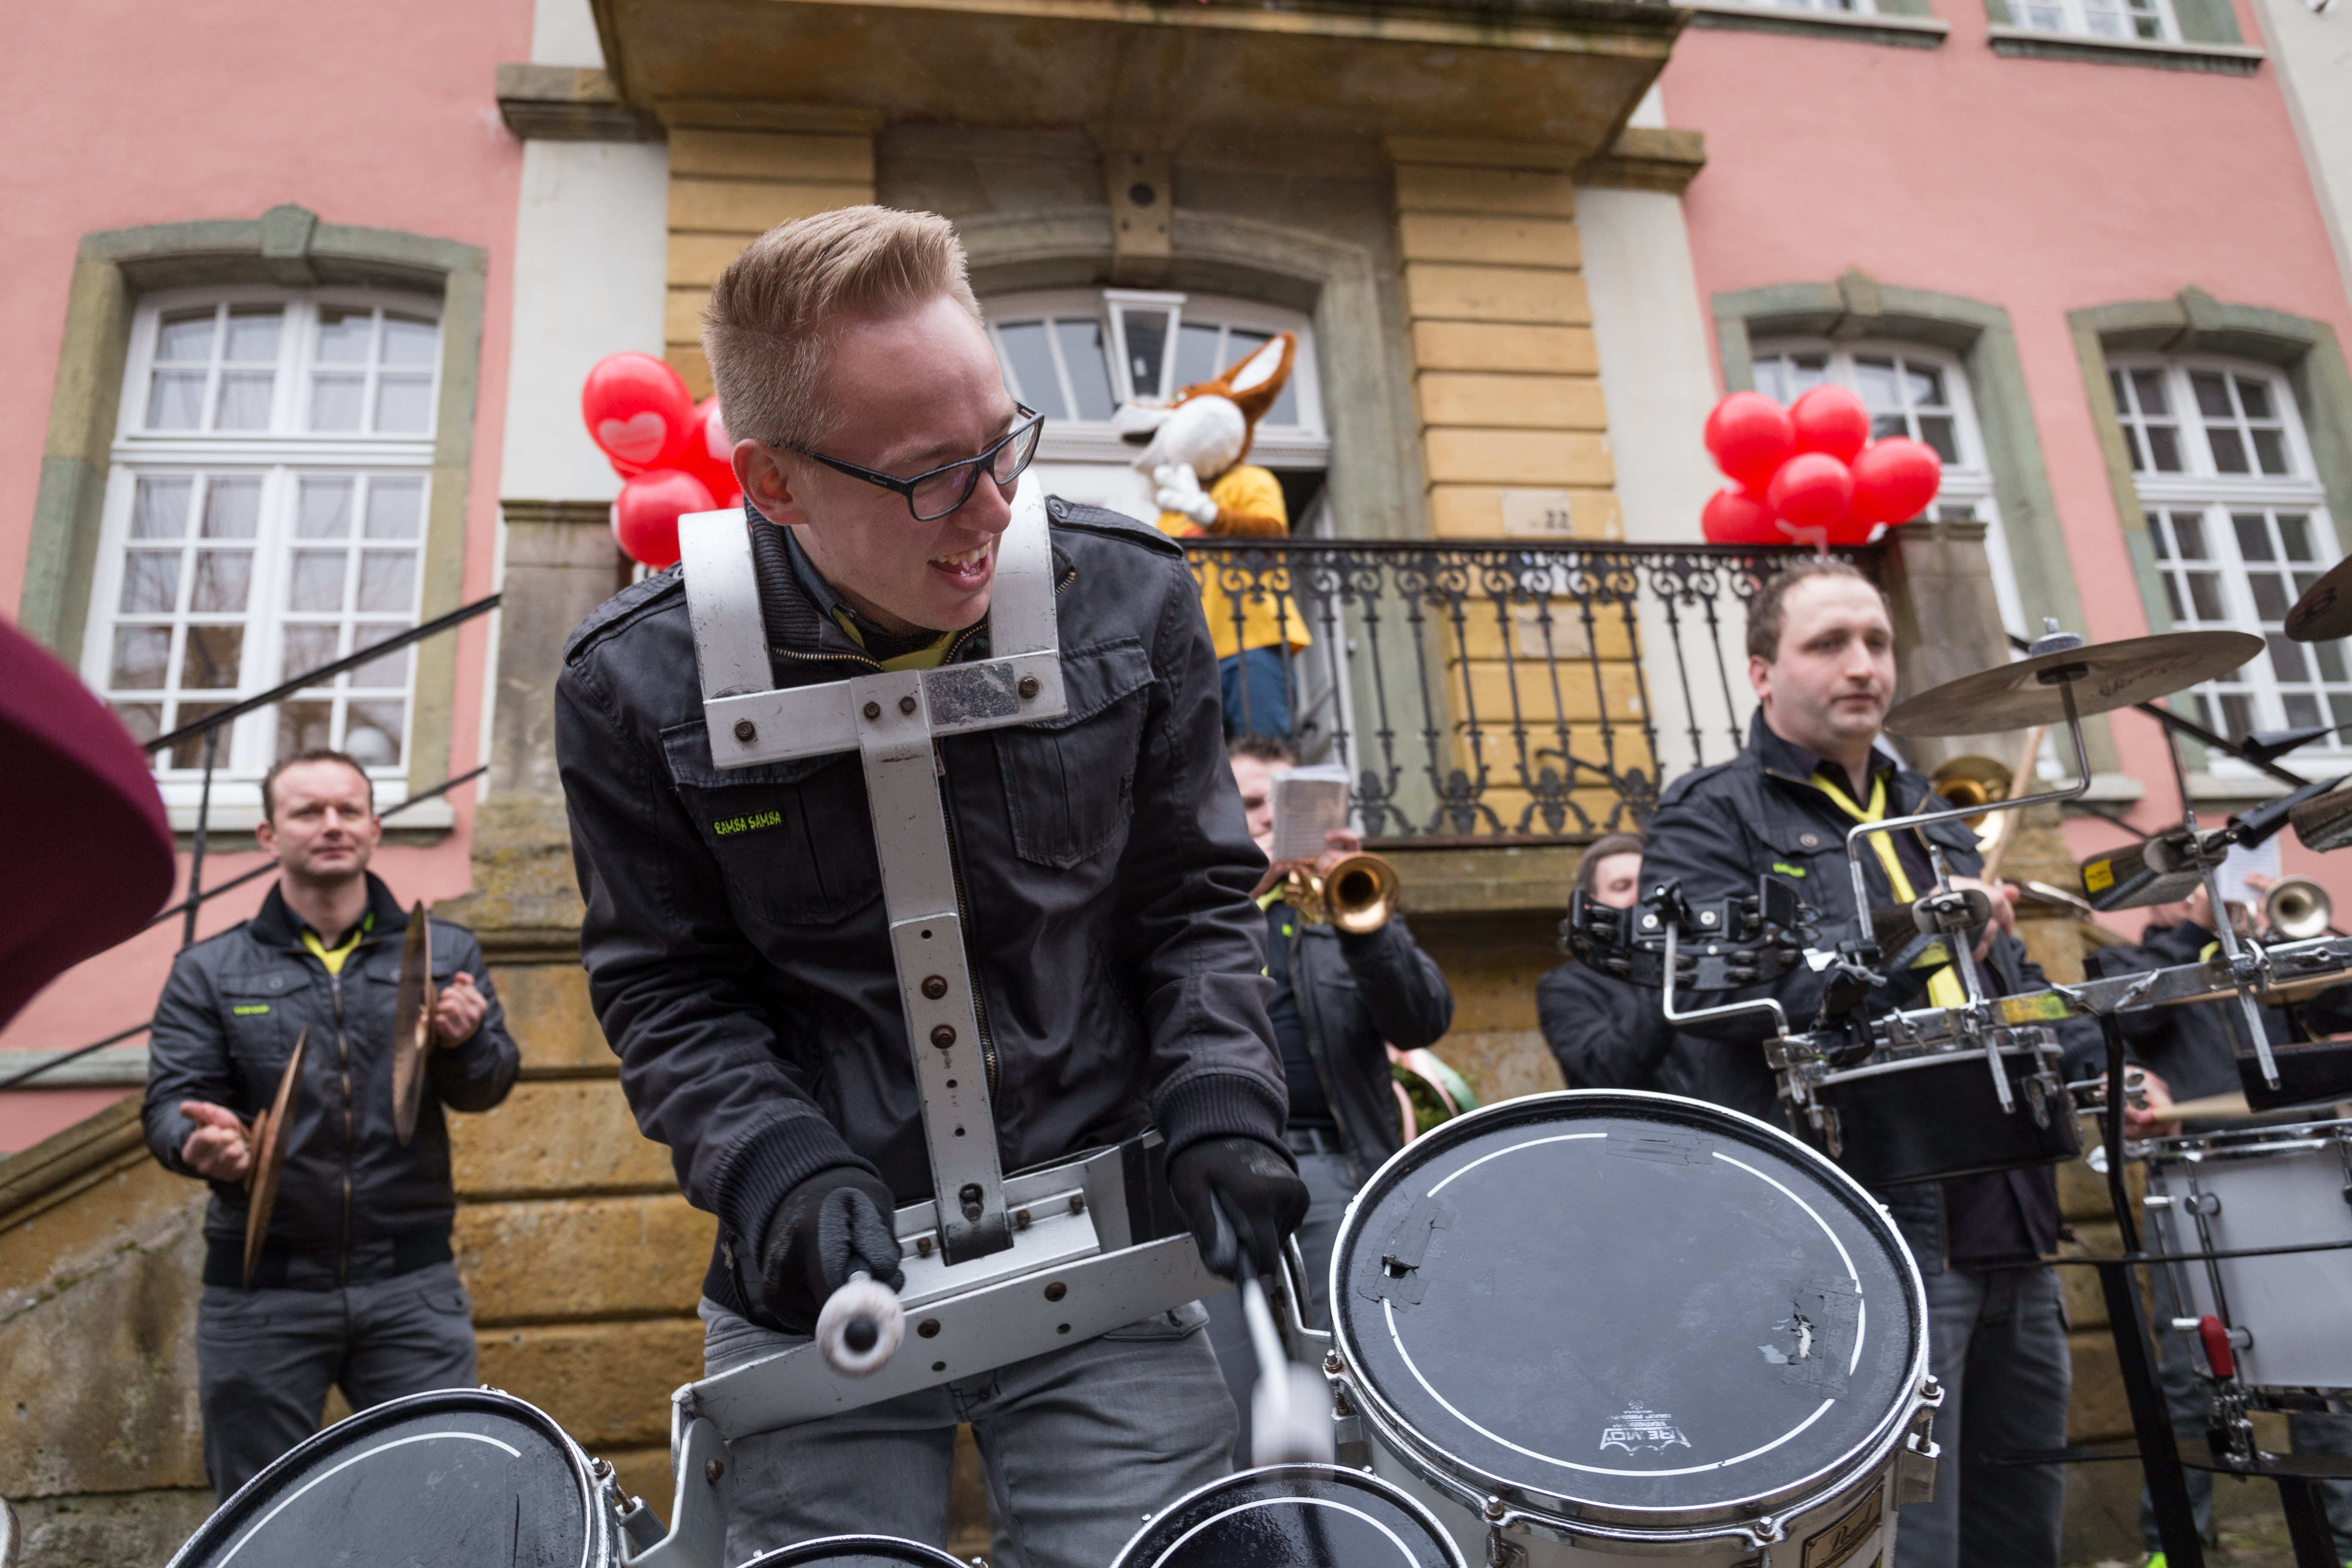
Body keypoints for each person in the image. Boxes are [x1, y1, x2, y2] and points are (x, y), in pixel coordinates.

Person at [554, 206, 1308, 1568]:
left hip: (1105, 1241)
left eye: (1005, 441)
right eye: (931, 477)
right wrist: (777, 1168)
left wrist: (1219, 1093)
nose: (996, 508)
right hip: (816, 1274)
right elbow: (669, 988)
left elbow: (1192, 898)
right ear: (775, 484)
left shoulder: (1128, 598)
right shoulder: (634, 686)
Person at [1637, 557, 2168, 1568]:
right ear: (1761, 673)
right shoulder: (1712, 812)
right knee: (1907, 1538)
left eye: (1876, 642)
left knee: (2021, 1531)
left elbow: (2001, 980)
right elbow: (1711, 999)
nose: (1863, 665)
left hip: (2010, 1215)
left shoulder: (1926, 805)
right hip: (1877, 1224)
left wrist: (2092, 1062)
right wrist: (1912, 929)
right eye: (1828, 644)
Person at [142, 748, 518, 1501]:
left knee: (444, 1501)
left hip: (411, 1287)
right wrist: (198, 1143)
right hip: (262, 1294)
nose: (332, 825)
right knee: (260, 1517)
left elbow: (487, 1087)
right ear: (267, 835)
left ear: (375, 829)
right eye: (308, 812)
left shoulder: (443, 952)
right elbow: (169, 1103)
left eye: (349, 810)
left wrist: (467, 1040)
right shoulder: (210, 969)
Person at [1203, 735, 1454, 1463]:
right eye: (1248, 803)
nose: (1264, 819)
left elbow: (1422, 1020)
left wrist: (1365, 927)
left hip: (1332, 1173)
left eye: (1280, 806)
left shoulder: (1342, 909)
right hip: (1215, 1176)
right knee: (1233, 1406)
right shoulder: (1195, 914)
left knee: (1358, 1397)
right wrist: (1239, 888)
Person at [2087, 883, 2352, 1565]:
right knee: (2188, 1376)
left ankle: (2342, 1542)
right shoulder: (2137, 961)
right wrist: (2197, 932)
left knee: (2329, 1369)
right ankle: (2174, 1547)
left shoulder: (2270, 958)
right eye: (2200, 879)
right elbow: (2132, 1024)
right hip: (2195, 1185)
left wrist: (2292, 941)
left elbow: (2340, 1005)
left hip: (2299, 1176)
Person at [1136, 336, 1311, 738]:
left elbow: (1273, 535)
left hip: (1254, 641)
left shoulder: (1250, 480)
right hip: (1195, 657)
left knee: (1263, 751)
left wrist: (1211, 516)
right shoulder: (1171, 509)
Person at [1534, 832, 1679, 1091]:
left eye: (1648, 884)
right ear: (1590, 908)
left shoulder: (1697, 964)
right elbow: (1606, 1070)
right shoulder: (1564, 987)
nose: (1641, 897)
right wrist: (1671, 975)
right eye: (1622, 887)